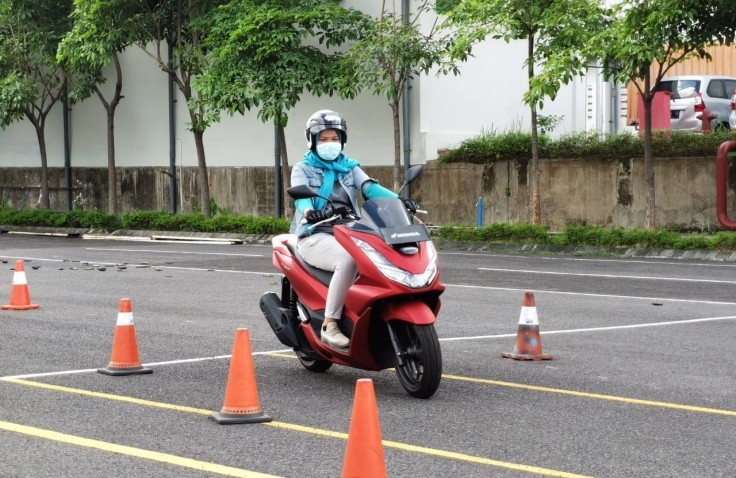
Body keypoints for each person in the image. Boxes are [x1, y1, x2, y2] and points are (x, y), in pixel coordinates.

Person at [290, 109, 403, 349]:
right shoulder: (303, 169)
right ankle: (330, 324)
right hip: (316, 234)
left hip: (350, 232)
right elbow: (301, 199)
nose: (329, 143)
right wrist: (311, 212)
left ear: (342, 140)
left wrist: (401, 200)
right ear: (311, 140)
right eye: (323, 138)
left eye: (334, 138)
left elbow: (370, 188)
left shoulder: (349, 167)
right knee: (349, 261)